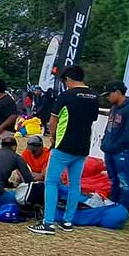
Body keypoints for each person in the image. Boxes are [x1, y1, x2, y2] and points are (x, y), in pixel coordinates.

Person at [29, 65, 100, 236]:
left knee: (51, 182)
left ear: (68, 79)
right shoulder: (94, 97)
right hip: (82, 146)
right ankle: (68, 221)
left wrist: (52, 137)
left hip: (64, 145)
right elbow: (93, 119)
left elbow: (53, 122)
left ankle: (48, 223)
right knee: (75, 184)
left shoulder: (66, 96)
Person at [100, 81, 129, 210]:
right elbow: (108, 128)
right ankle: (113, 202)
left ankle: (124, 208)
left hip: (122, 151)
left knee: (124, 180)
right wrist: (105, 142)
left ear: (118, 92)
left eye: (109, 94)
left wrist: (115, 146)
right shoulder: (113, 109)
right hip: (110, 150)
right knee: (113, 179)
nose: (108, 98)